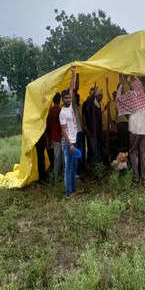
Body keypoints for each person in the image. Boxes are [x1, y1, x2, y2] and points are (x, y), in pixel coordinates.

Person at [116, 76, 145, 184]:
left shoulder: (130, 95)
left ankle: (136, 178)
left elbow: (118, 98)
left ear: (132, 87)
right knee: (144, 154)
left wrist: (121, 84)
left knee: (133, 153)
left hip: (134, 130)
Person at [59, 66, 79, 197]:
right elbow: (63, 131)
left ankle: (73, 191)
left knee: (72, 167)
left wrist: (73, 73)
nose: (68, 99)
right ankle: (68, 193)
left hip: (73, 141)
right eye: (66, 98)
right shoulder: (62, 112)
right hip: (68, 144)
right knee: (68, 168)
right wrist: (70, 145)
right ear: (62, 99)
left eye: (69, 98)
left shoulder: (70, 105)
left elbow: (71, 88)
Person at [83, 83, 103, 165]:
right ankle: (96, 166)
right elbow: (83, 117)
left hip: (97, 131)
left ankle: (97, 165)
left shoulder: (98, 104)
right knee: (93, 149)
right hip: (91, 130)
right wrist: (85, 128)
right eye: (99, 95)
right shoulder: (87, 103)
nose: (101, 97)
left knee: (97, 148)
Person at [46, 92, 63, 182]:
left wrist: (49, 137)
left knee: (56, 156)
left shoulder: (51, 111)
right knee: (58, 156)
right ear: (59, 100)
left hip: (52, 136)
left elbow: (48, 125)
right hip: (58, 136)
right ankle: (57, 177)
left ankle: (56, 175)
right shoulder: (59, 110)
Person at [72, 73, 85, 177]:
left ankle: (80, 170)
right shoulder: (71, 104)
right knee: (77, 152)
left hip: (79, 132)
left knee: (80, 152)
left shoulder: (76, 106)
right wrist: (76, 75)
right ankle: (76, 172)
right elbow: (75, 88)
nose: (78, 97)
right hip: (75, 133)